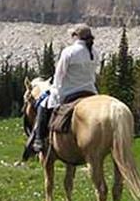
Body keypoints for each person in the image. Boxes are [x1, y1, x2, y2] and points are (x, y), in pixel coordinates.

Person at [32, 23, 99, 153]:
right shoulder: (94, 53)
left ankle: (39, 139)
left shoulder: (69, 52)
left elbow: (59, 74)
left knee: (43, 104)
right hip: (90, 90)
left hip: (69, 91)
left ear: (76, 36)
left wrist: (54, 90)